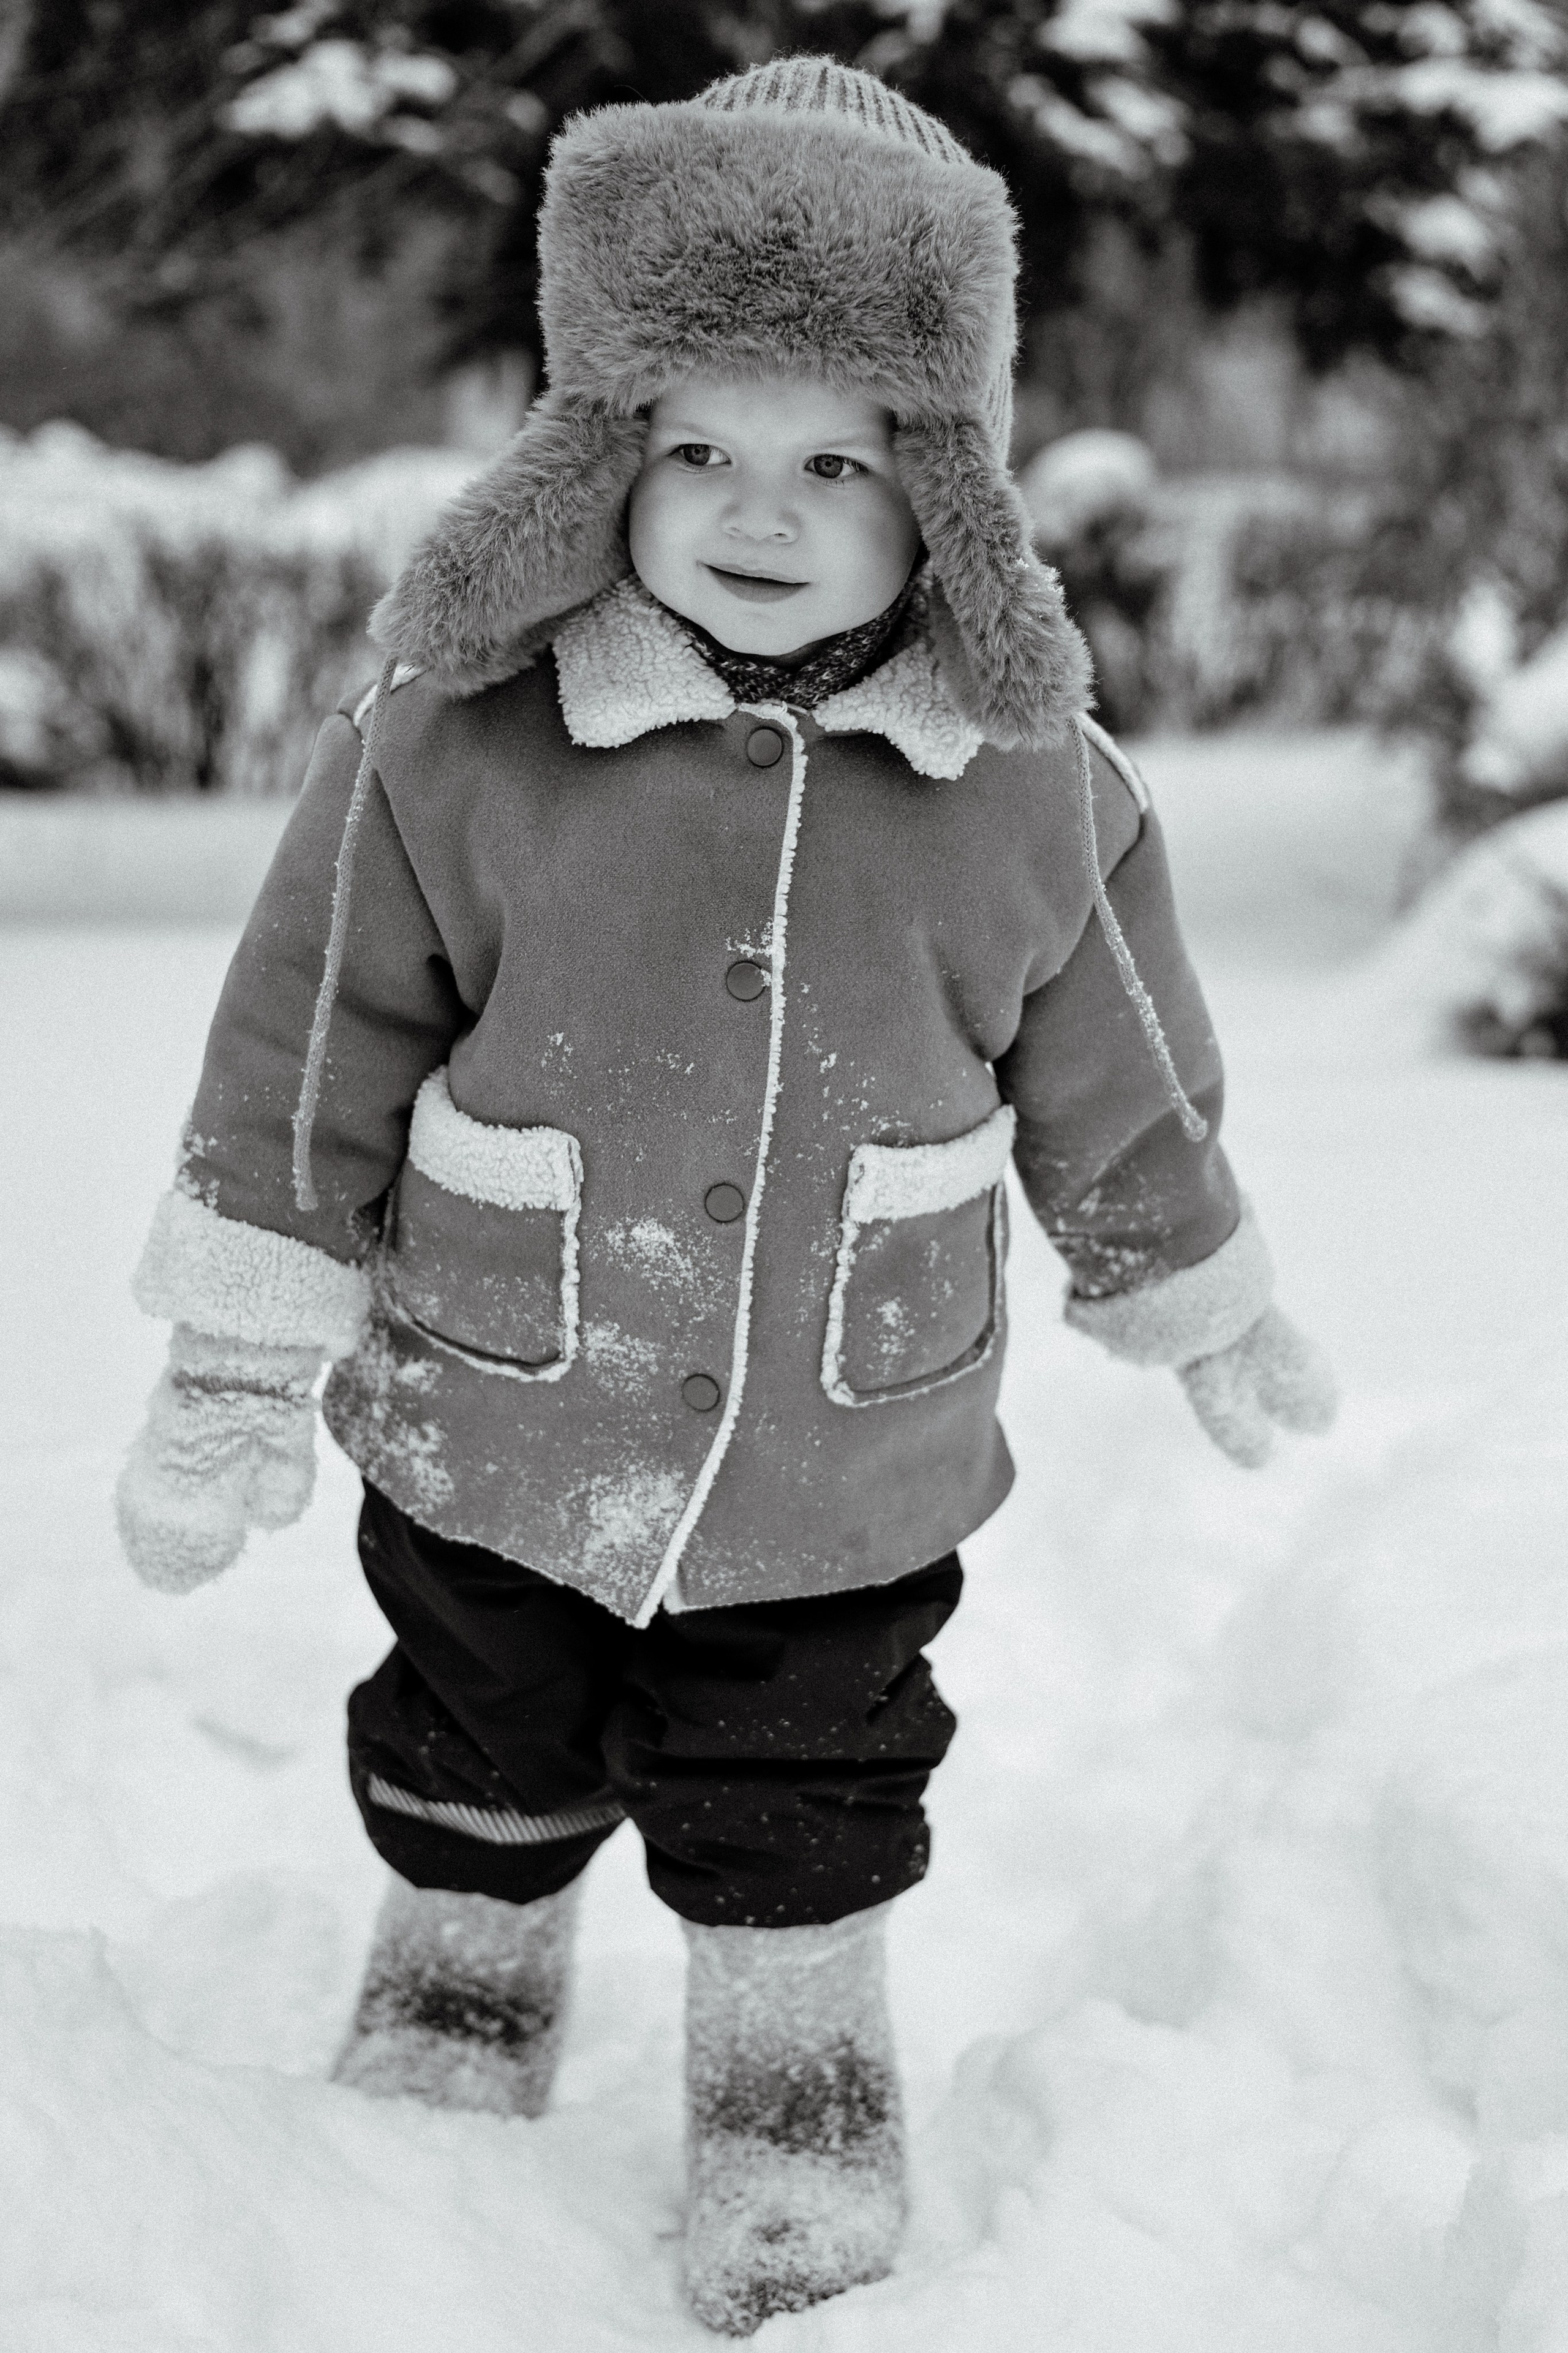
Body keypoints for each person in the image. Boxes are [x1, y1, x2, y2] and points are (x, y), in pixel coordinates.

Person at [115, 56, 1336, 2338]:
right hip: (502, 1392)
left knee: (814, 1773)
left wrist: (1201, 1293)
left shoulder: (1031, 788)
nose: (758, 512)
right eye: (699, 449)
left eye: (835, 463)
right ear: (604, 455)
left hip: (842, 1447)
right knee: (473, 1722)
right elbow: (308, 1048)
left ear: (941, 491)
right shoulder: (456, 741)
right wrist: (236, 1359)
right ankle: (465, 1987)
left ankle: (796, 2090)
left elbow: (1124, 1071)